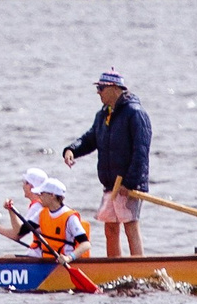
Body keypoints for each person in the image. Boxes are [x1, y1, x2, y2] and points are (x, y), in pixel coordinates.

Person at [63, 68, 152, 257]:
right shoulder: (103, 115)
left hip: (129, 184)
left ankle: (139, 266)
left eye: (101, 88)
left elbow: (141, 152)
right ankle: (114, 266)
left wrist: (129, 183)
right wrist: (71, 150)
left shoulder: (135, 113)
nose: (98, 92)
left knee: (130, 226)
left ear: (115, 88)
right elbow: (90, 139)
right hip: (110, 184)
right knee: (110, 228)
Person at [0, 169, 88, 262]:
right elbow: (20, 232)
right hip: (46, 261)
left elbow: (86, 244)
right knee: (8, 258)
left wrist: (69, 257)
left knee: (8, 260)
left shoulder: (70, 217)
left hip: (61, 262)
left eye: (42, 193)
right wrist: (11, 211)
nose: (39, 196)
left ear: (52, 195)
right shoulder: (41, 213)